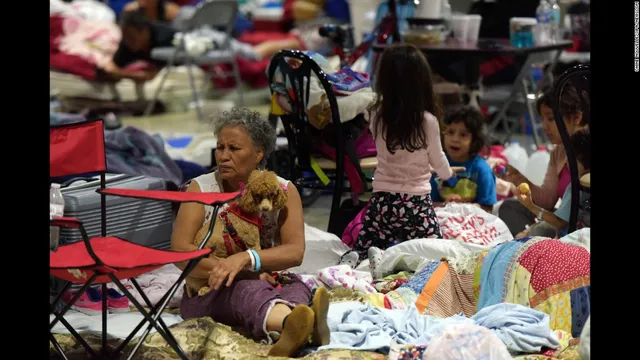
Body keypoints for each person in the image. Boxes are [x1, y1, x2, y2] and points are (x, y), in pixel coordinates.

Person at [172, 108, 330, 357]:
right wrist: (232, 269)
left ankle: (295, 325)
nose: (223, 156)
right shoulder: (200, 189)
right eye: (220, 147)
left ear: (258, 154)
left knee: (294, 286)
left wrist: (247, 258)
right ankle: (296, 324)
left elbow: (294, 252)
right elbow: (181, 253)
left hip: (264, 278)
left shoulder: (282, 191)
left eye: (233, 149)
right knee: (245, 291)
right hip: (210, 290)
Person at [340, 44, 464, 267]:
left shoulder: (376, 115)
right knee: (435, 256)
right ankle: (393, 263)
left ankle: (359, 260)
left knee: (364, 245)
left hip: (382, 200)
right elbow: (438, 160)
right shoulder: (427, 121)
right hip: (416, 204)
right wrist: (448, 175)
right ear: (422, 81)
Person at [497, 84, 588, 237]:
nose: (544, 126)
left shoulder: (584, 154)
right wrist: (518, 178)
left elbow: (561, 220)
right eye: (542, 119)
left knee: (539, 231)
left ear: (577, 117)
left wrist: (535, 216)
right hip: (565, 221)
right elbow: (548, 201)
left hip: (579, 227)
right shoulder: (559, 151)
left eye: (551, 118)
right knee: (511, 207)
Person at [515, 128, 590, 238]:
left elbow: (559, 223)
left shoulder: (575, 188)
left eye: (571, 159)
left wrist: (530, 205)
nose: (567, 162)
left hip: (568, 244)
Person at [430, 105, 497, 213]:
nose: (455, 139)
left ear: (475, 140)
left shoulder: (482, 170)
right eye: (450, 132)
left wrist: (462, 207)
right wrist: (446, 205)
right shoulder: (436, 165)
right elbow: (429, 203)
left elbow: (488, 208)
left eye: (463, 135)